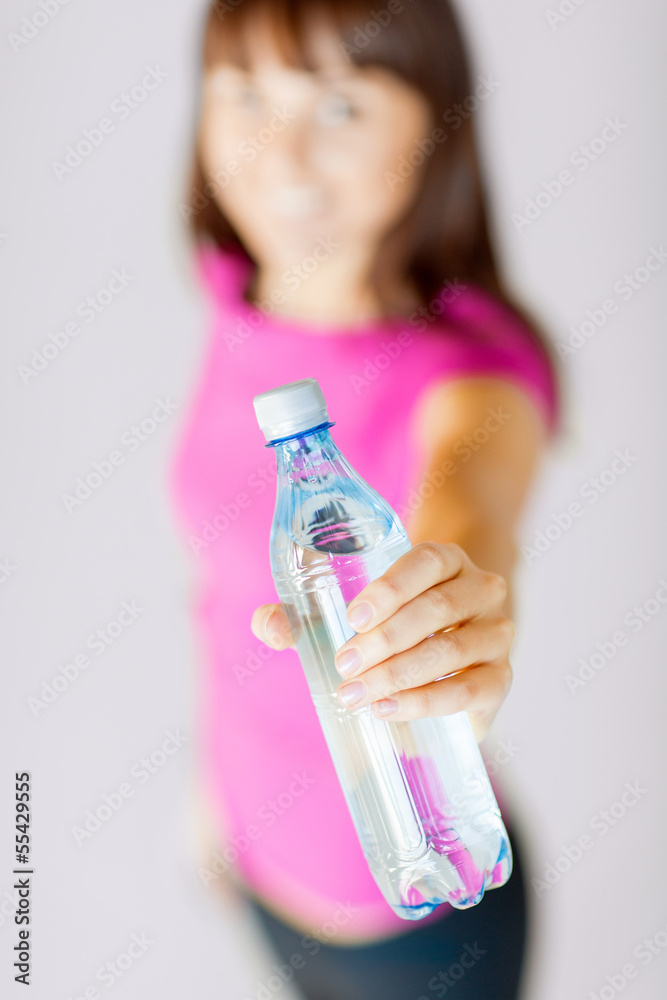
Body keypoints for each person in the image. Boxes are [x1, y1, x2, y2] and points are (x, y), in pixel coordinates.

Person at [169, 1, 560, 997]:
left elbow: (470, 518)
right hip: (255, 872)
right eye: (245, 93)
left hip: (415, 927)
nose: (280, 155)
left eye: (340, 105)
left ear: (435, 122)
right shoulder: (237, 290)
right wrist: (213, 795)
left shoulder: (474, 379)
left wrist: (458, 621)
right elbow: (219, 597)